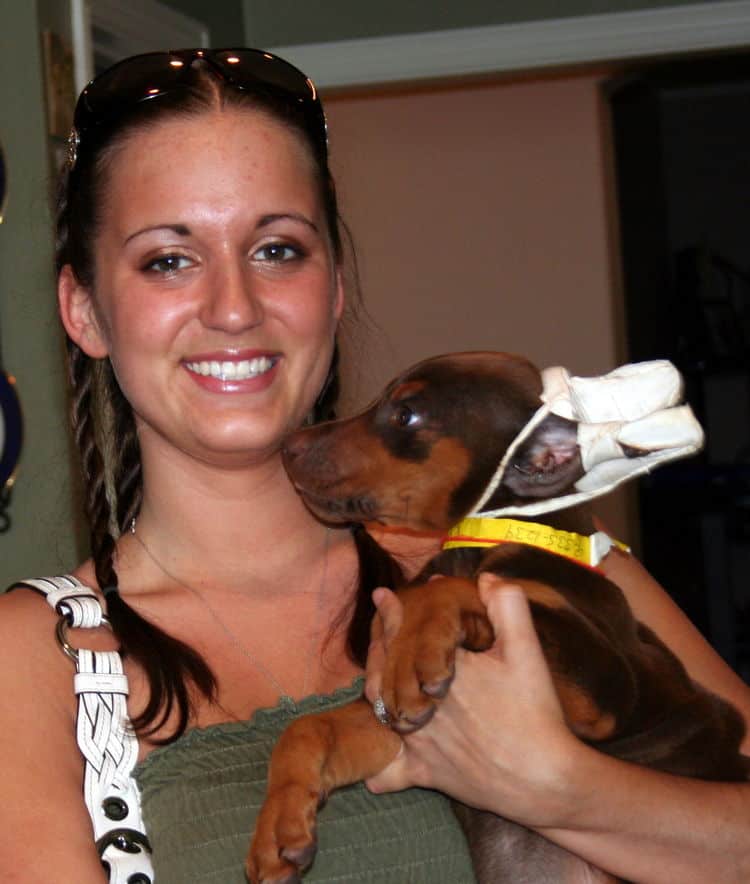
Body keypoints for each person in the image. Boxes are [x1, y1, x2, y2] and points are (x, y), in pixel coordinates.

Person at [0, 46, 747, 884]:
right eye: (169, 260)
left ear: (335, 286)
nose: (234, 306)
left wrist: (557, 788)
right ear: (84, 309)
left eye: (277, 249)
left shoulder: (528, 549)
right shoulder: (38, 663)